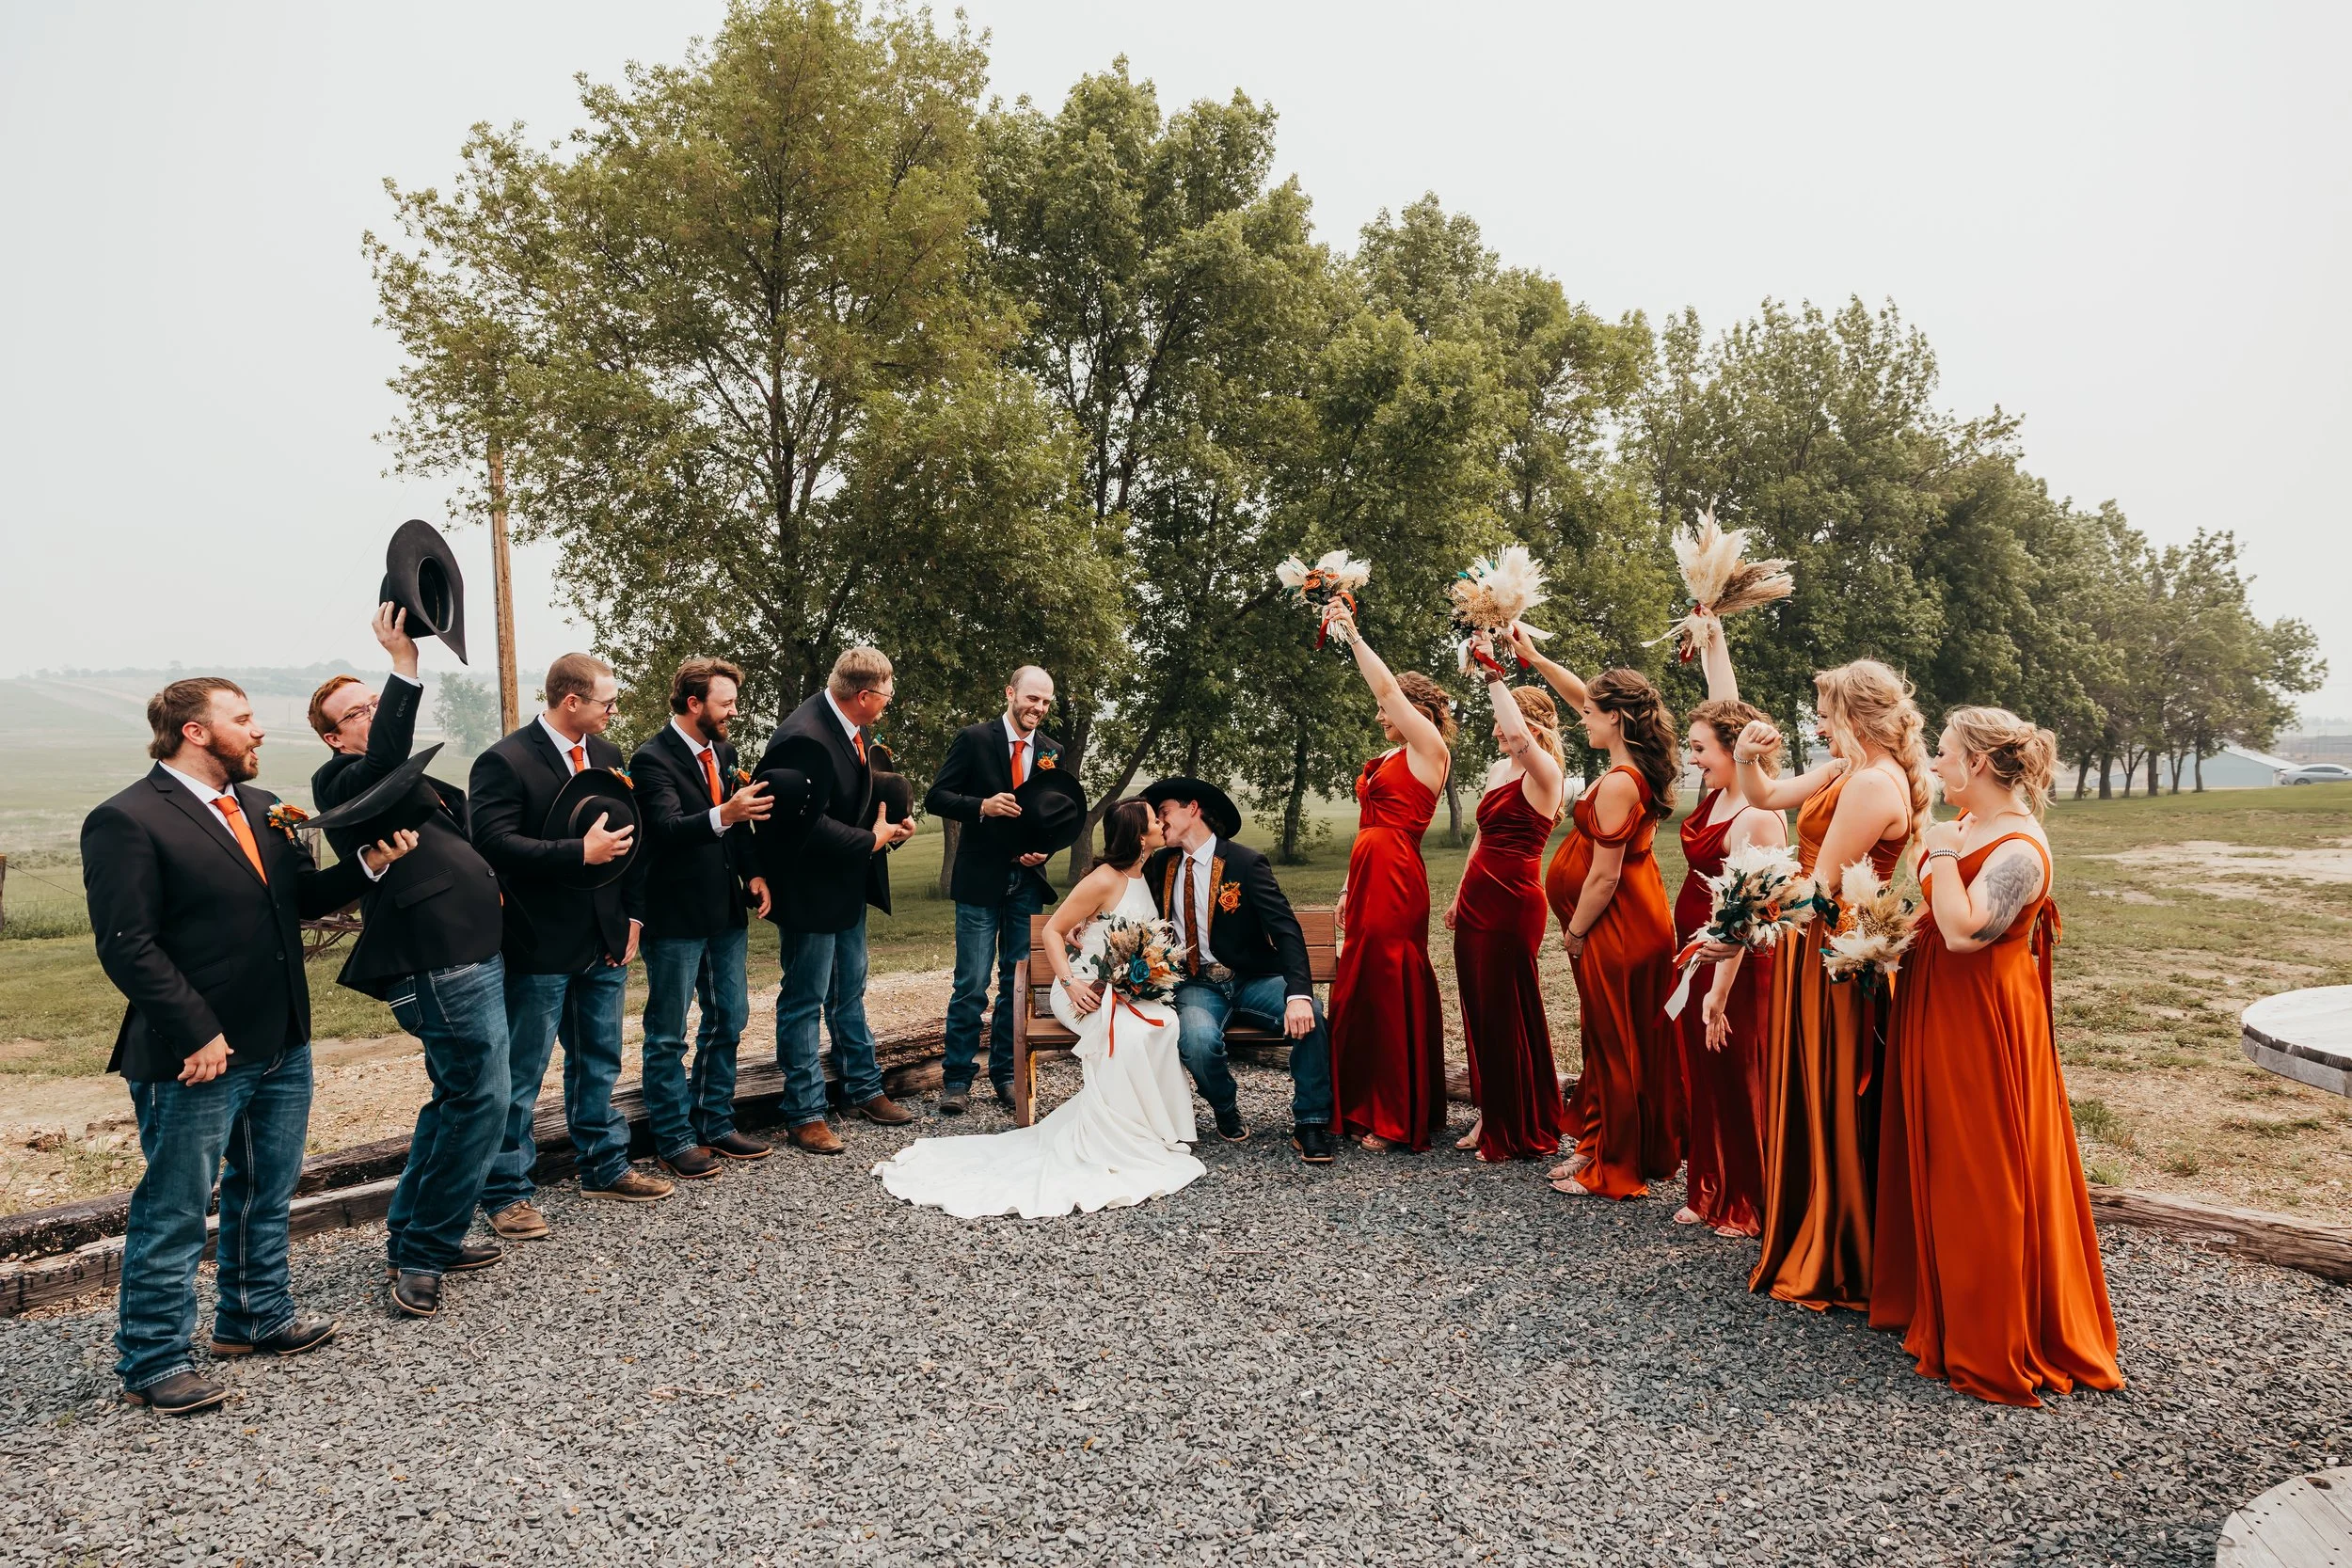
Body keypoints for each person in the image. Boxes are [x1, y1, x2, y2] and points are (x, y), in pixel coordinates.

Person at [84, 677, 416, 1414]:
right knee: (174, 1208)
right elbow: (127, 946)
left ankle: (254, 1315)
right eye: (242, 718)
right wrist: (196, 1029)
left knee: (266, 1186)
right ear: (195, 732)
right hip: (194, 1053)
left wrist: (368, 867)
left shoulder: (267, 811)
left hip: (280, 1038)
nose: (258, 729)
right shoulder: (127, 819)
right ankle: (153, 1358)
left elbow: (298, 904)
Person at [1867, 707, 2123, 1404]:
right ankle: (1944, 1304)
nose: (1934, 765)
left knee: (1982, 1162)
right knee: (1945, 1153)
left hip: (1982, 1023)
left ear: (1978, 763)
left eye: (1944, 754)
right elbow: (1929, 916)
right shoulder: (1968, 825)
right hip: (1936, 1007)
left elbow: (1964, 932)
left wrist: (1942, 852)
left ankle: (1991, 1328)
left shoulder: (2018, 847)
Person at [310, 606, 510, 1319]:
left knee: (457, 1099)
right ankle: (424, 1252)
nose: (370, 714)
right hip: (436, 963)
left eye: (372, 703)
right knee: (480, 1101)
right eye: (355, 712)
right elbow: (385, 756)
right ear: (333, 738)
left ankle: (414, 1234)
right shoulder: (340, 784)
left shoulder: (400, 779)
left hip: (473, 953)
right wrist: (402, 666)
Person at [874, 800, 1206, 1216]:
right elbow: (1052, 930)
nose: (1162, 823)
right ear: (1140, 836)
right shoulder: (1104, 879)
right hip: (1082, 991)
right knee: (1128, 1032)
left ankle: (1152, 1127)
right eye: (1155, 820)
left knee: (1165, 1021)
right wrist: (1070, 982)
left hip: (1124, 987)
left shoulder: (1146, 873)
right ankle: (1117, 1136)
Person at [1734, 657, 1929, 1310]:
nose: (1816, 726)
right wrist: (1746, 758)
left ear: (1853, 715)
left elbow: (1823, 888)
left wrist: (1740, 912)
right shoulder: (1847, 770)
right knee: (1809, 1080)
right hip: (1809, 938)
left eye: (1824, 714)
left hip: (1833, 945)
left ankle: (1839, 1239)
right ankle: (1807, 1216)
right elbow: (1764, 798)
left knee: (1830, 1087)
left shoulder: (1874, 785)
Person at [470, 652, 668, 1240]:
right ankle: (506, 1191)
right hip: (537, 940)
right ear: (571, 701)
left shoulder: (607, 757)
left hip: (606, 937)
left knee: (600, 1059)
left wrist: (633, 915)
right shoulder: (504, 761)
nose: (615, 708)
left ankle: (604, 1164)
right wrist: (576, 854)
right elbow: (490, 844)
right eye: (607, 699)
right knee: (521, 1072)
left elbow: (633, 840)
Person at [1515, 627, 1681, 1199]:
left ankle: (1615, 1165)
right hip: (1630, 917)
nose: (1579, 717)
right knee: (1604, 1039)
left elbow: (1604, 876)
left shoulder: (1619, 782)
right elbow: (1577, 692)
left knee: (1616, 1046)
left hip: (1618, 926)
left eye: (1590, 712)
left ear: (1617, 719)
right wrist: (1534, 658)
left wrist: (1576, 931)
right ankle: (1597, 1141)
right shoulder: (1630, 763)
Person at [757, 645, 920, 1155]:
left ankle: (862, 1089)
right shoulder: (802, 737)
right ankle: (803, 1113)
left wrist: (891, 827)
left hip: (846, 883)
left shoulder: (851, 726)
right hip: (808, 890)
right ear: (865, 695)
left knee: (850, 989)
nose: (890, 702)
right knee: (805, 999)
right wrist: (869, 840)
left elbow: (847, 799)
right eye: (888, 694)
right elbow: (799, 823)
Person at [629, 657, 776, 1181]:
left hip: (725, 910)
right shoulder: (650, 760)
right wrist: (726, 813)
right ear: (694, 705)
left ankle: (716, 1121)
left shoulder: (725, 751)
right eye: (726, 703)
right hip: (673, 916)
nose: (733, 712)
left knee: (729, 1019)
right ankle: (672, 1136)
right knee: (668, 1032)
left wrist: (754, 874)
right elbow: (666, 829)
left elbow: (738, 829)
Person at [1140, 776, 1337, 1164]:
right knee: (1196, 1042)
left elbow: (1285, 929)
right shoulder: (1161, 864)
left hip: (1255, 979)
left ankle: (1311, 1123)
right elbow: (1118, 887)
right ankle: (1225, 1109)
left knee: (1310, 1015)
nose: (1159, 822)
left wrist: (1298, 993)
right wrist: (1088, 920)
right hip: (1196, 984)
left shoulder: (1246, 863)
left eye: (1164, 813)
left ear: (1192, 808)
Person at [1669, 612, 1786, 1237]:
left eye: (1699, 749)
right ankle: (1710, 1184)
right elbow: (1727, 706)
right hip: (1698, 949)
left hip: (1740, 961)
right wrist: (1714, 638)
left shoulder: (1758, 812)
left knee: (1742, 1075)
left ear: (1731, 750)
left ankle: (1751, 1198)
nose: (1693, 760)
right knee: (1705, 1074)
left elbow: (1748, 911)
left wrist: (1717, 987)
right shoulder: (1717, 796)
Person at [1321, 606, 1451, 1153]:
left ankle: (1397, 1113)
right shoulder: (1391, 753)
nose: (1380, 716)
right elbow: (1370, 821)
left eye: (1386, 708)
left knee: (1387, 980)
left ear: (1416, 711)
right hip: (1368, 872)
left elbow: (1387, 690)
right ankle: (1356, 1101)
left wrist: (1351, 632)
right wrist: (1349, 888)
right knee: (1359, 982)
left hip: (1398, 875)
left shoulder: (1429, 751)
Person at [1443, 634, 1566, 1163]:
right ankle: (1492, 1110)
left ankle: (1518, 1121)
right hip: (1477, 896)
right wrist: (1457, 894)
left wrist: (1493, 671)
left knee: (1508, 1007)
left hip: (1514, 900)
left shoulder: (1546, 774)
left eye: (1506, 724)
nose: (1497, 731)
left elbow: (1514, 730)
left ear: (1530, 729)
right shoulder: (1499, 771)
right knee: (1478, 1007)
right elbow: (1479, 836)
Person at [925, 665, 1063, 1113]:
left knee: (1016, 985)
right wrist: (981, 806)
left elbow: (1057, 817)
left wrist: (1043, 850)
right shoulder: (974, 739)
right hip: (980, 879)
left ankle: (1006, 1075)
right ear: (1010, 694)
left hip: (1026, 884)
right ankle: (957, 1080)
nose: (1038, 709)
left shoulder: (1052, 752)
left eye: (1045, 702)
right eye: (1032, 699)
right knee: (970, 984)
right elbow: (937, 797)